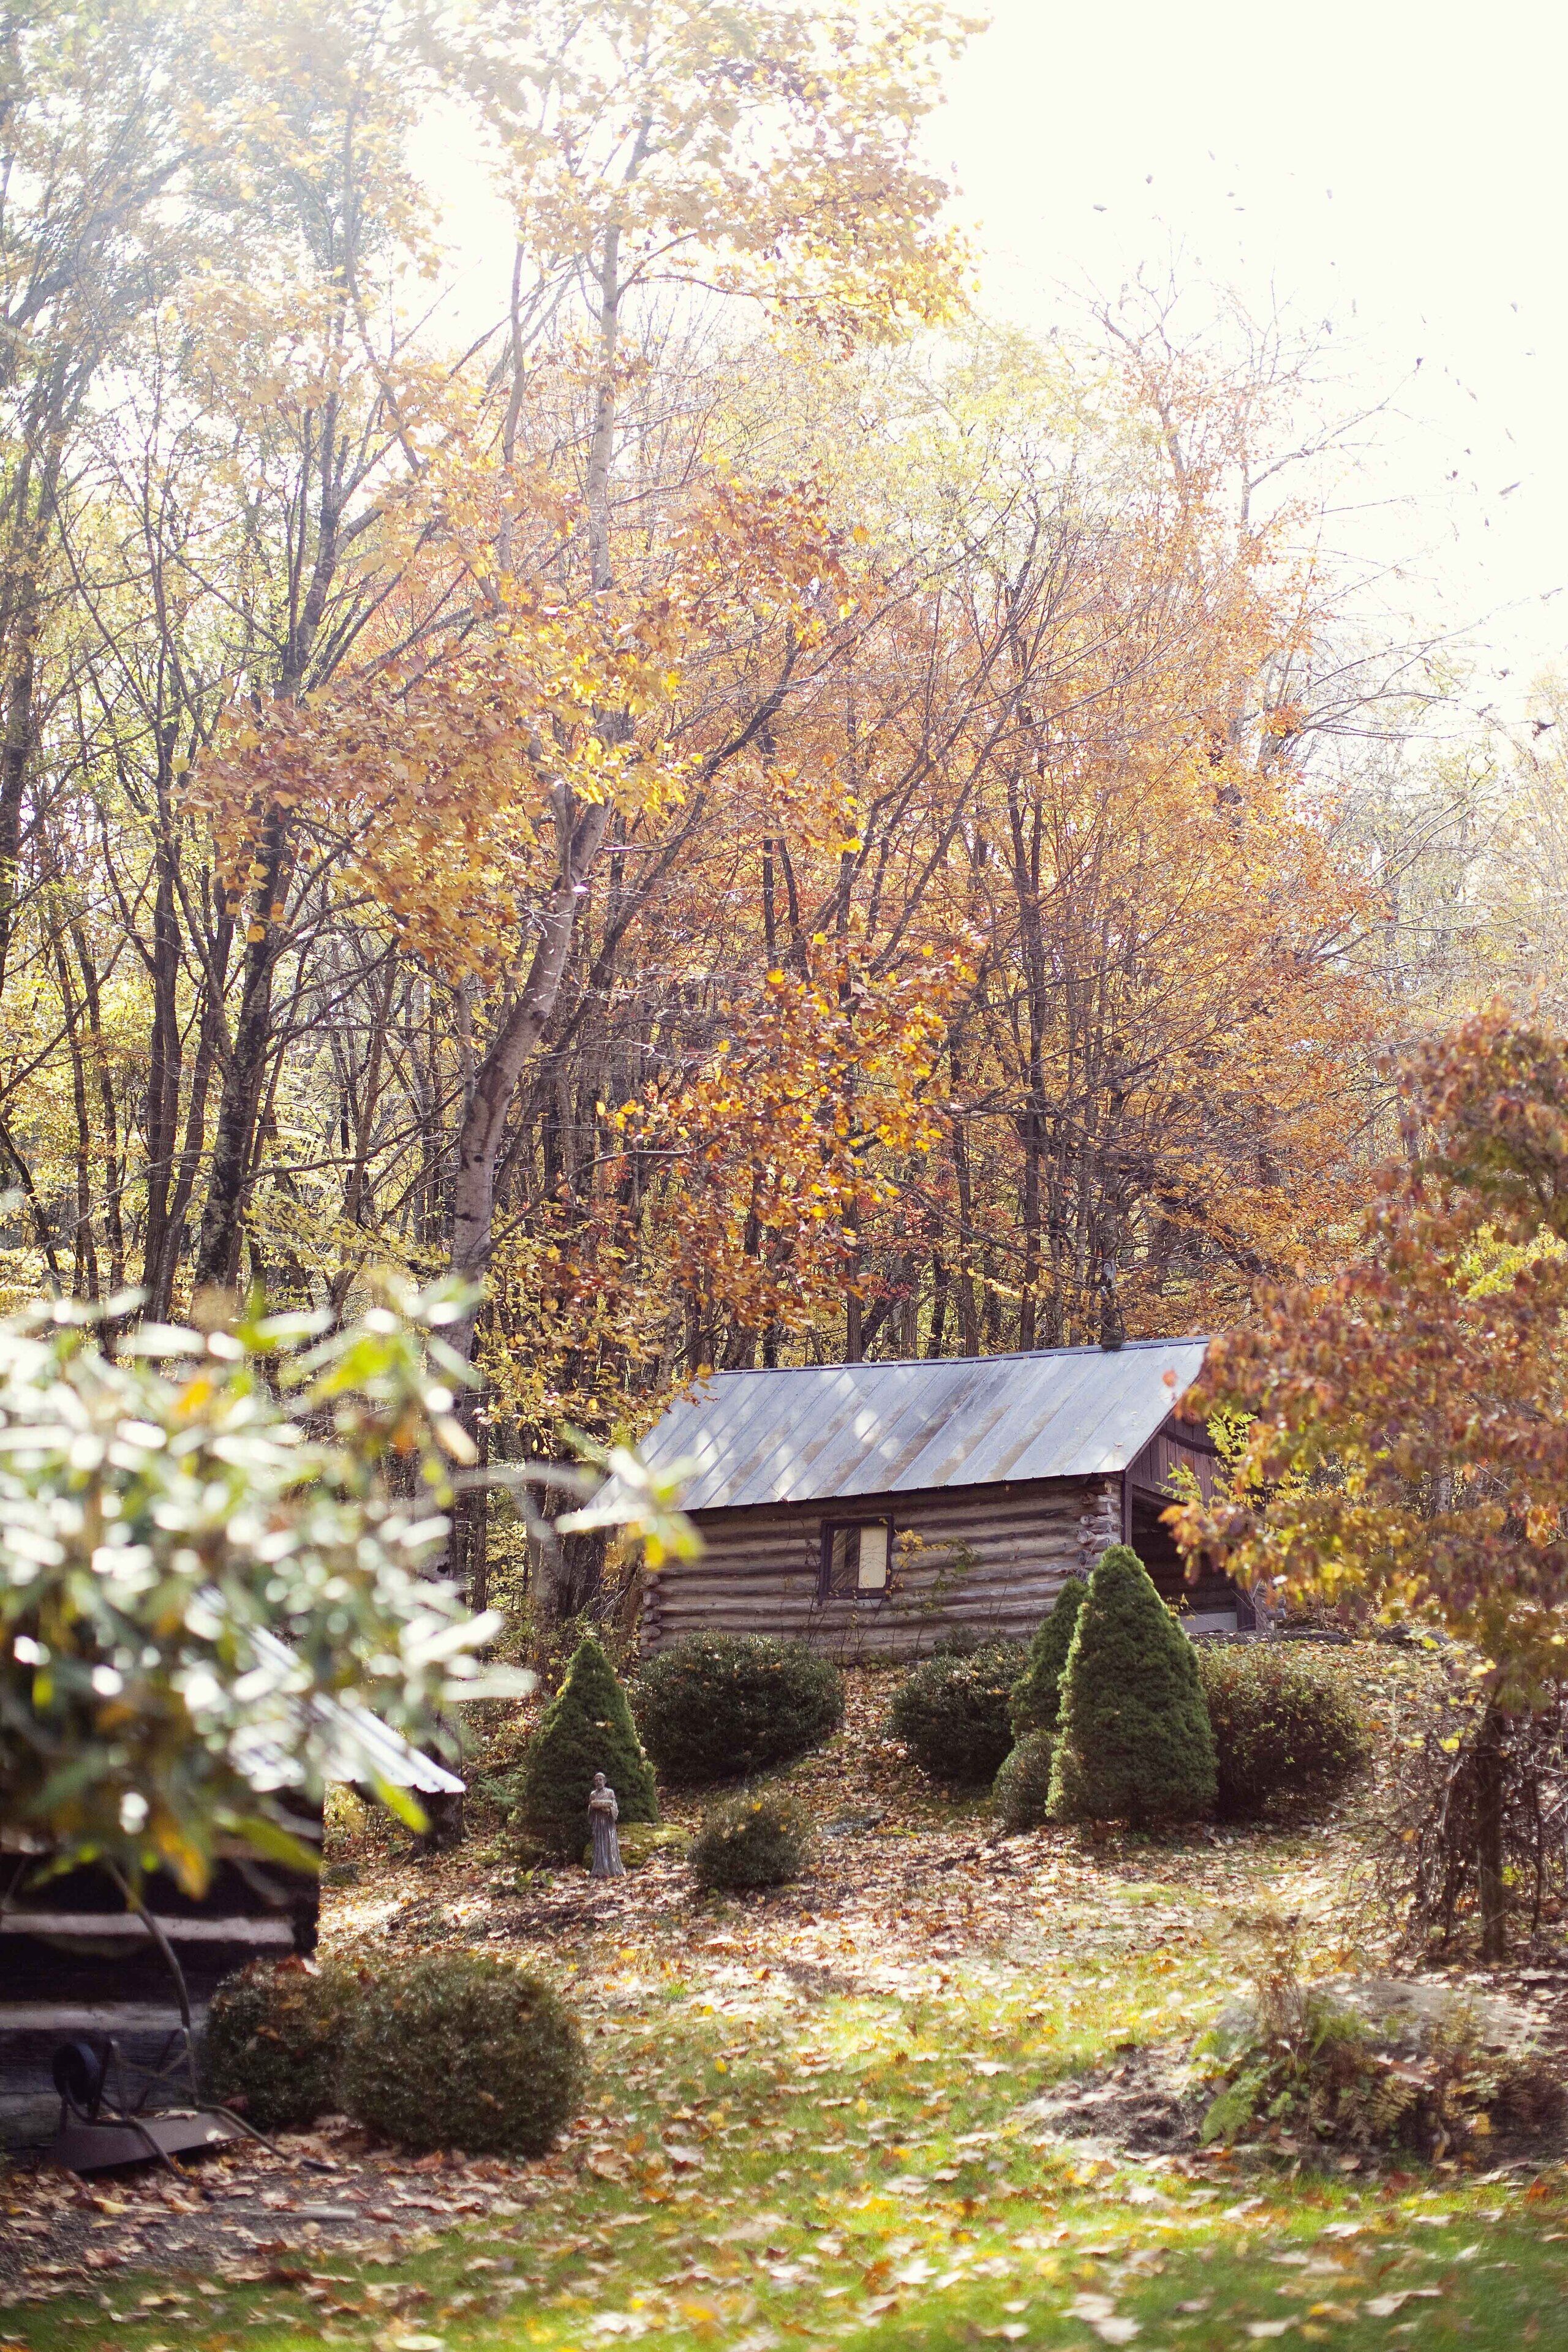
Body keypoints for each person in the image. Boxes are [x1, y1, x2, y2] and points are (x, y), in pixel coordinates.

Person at [587, 1771, 625, 1879]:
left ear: (605, 1781)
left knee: (609, 1843)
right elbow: (591, 1808)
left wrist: (609, 1810)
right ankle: (600, 1869)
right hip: (598, 1823)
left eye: (600, 1780)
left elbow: (614, 1806)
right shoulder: (593, 1795)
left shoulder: (610, 1793)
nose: (598, 1782)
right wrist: (593, 1807)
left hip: (608, 1823)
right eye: (596, 1780)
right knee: (599, 1845)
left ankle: (612, 1867)